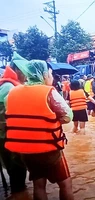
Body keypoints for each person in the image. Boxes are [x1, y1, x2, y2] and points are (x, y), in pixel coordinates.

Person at [5, 60, 74, 200]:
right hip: (49, 150)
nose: (52, 77)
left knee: (39, 185)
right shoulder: (48, 92)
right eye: (50, 73)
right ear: (43, 74)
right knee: (66, 184)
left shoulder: (12, 92)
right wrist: (50, 121)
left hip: (25, 151)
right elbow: (67, 117)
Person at [0, 52, 28, 194]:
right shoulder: (10, 88)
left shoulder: (7, 85)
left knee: (15, 169)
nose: (27, 76)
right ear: (17, 70)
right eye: (24, 72)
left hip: (7, 134)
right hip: (8, 135)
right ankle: (19, 193)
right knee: (17, 168)